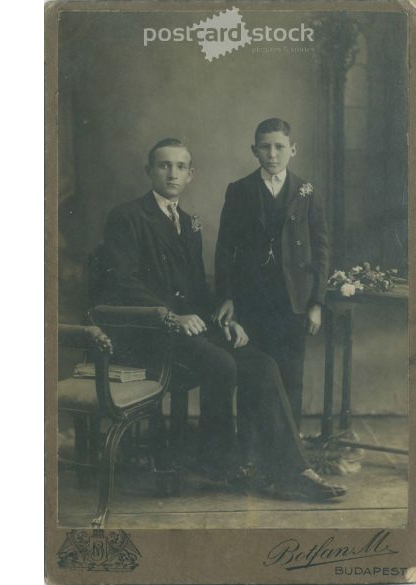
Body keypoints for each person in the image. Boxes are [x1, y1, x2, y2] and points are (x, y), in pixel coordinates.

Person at [95, 137, 345, 500]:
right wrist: (169, 316)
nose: (172, 174)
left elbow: (196, 287)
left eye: (180, 167)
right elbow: (118, 283)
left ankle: (292, 471)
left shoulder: (188, 222)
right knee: (221, 363)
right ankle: (219, 462)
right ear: (148, 171)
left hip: (191, 330)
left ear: (191, 174)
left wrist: (224, 317)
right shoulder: (128, 216)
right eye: (164, 165)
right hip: (149, 330)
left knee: (262, 364)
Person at [214, 118, 330, 442]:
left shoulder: (307, 192)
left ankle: (289, 453)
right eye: (265, 147)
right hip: (252, 301)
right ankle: (251, 453)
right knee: (253, 376)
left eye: (280, 146)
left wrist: (316, 303)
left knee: (291, 376)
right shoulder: (239, 191)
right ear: (254, 150)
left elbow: (321, 249)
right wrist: (227, 296)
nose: (273, 154)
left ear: (293, 149)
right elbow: (225, 248)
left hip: (292, 301)